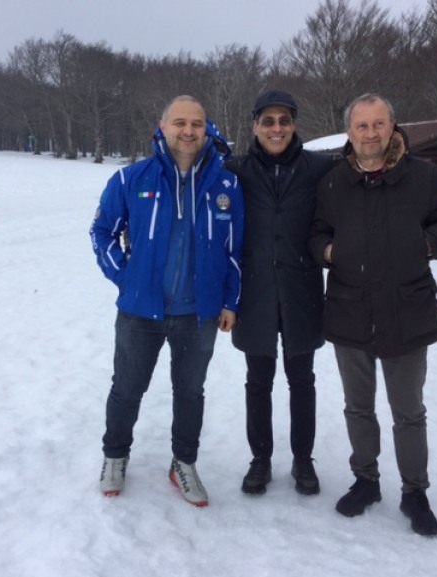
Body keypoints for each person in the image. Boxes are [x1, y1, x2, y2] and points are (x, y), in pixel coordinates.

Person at [309, 93, 437, 536]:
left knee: (409, 411)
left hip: (408, 310)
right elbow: (316, 232)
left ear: (393, 127)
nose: (371, 133)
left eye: (379, 124)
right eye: (362, 126)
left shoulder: (423, 177)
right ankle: (366, 481)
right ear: (350, 132)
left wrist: (428, 244)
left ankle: (415, 491)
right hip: (349, 310)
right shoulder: (334, 182)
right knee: (358, 407)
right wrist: (327, 250)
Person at [89, 95, 243, 507]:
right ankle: (115, 456)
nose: (188, 131)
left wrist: (230, 300)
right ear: (163, 126)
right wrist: (125, 276)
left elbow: (235, 250)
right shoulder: (131, 179)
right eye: (180, 123)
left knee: (190, 392)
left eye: (196, 123)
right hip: (141, 311)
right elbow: (101, 231)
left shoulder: (225, 184)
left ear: (205, 128)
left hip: (200, 313)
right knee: (127, 389)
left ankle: (184, 464)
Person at [225, 90, 334, 496]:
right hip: (254, 292)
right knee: (258, 380)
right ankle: (261, 459)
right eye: (267, 121)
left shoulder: (319, 168)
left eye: (284, 121)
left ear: (294, 125)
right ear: (255, 125)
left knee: (302, 379)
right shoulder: (234, 169)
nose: (276, 128)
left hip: (301, 288)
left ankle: (303, 461)